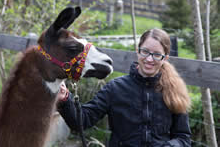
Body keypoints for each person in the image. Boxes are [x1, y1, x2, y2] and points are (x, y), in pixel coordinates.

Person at [57, 28, 191, 147]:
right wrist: (65, 99)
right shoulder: (115, 88)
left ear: (165, 58)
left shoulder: (174, 90)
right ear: (138, 51)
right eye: (145, 52)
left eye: (156, 54)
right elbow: (82, 121)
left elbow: (183, 138)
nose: (149, 59)